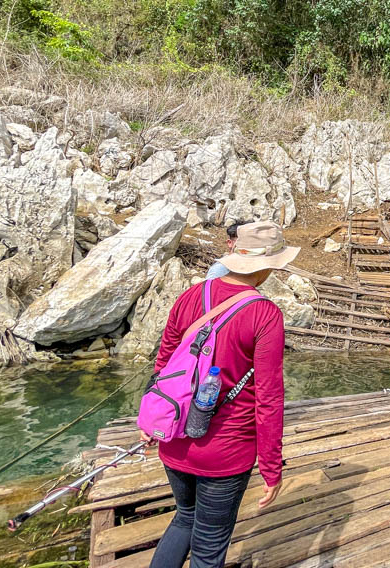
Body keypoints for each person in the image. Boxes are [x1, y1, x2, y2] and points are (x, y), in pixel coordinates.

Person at [141, 221, 299, 568]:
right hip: (226, 453)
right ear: (269, 265)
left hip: (174, 438)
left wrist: (153, 417)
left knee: (184, 517)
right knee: (209, 548)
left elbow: (164, 363)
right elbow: (269, 398)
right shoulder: (265, 314)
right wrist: (272, 468)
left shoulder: (189, 296)